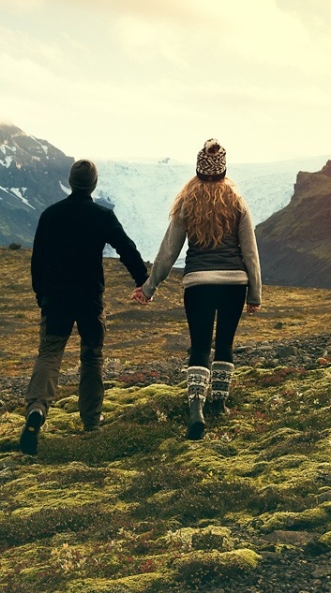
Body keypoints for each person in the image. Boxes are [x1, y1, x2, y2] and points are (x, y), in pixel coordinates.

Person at [133, 139, 261, 440]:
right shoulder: (238, 203)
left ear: (199, 169)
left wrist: (149, 288)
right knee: (225, 343)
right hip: (234, 284)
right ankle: (219, 404)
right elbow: (251, 253)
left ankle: (196, 409)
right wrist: (254, 294)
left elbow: (168, 251)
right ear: (223, 169)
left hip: (198, 283)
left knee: (200, 345)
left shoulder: (187, 203)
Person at [20, 159, 148, 455]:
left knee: (50, 355)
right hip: (90, 299)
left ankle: (36, 409)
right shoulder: (102, 216)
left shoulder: (50, 215)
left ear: (70, 181)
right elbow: (126, 248)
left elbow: (37, 260)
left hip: (56, 299)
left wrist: (42, 295)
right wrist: (144, 281)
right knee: (92, 358)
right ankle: (91, 422)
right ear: (94, 184)